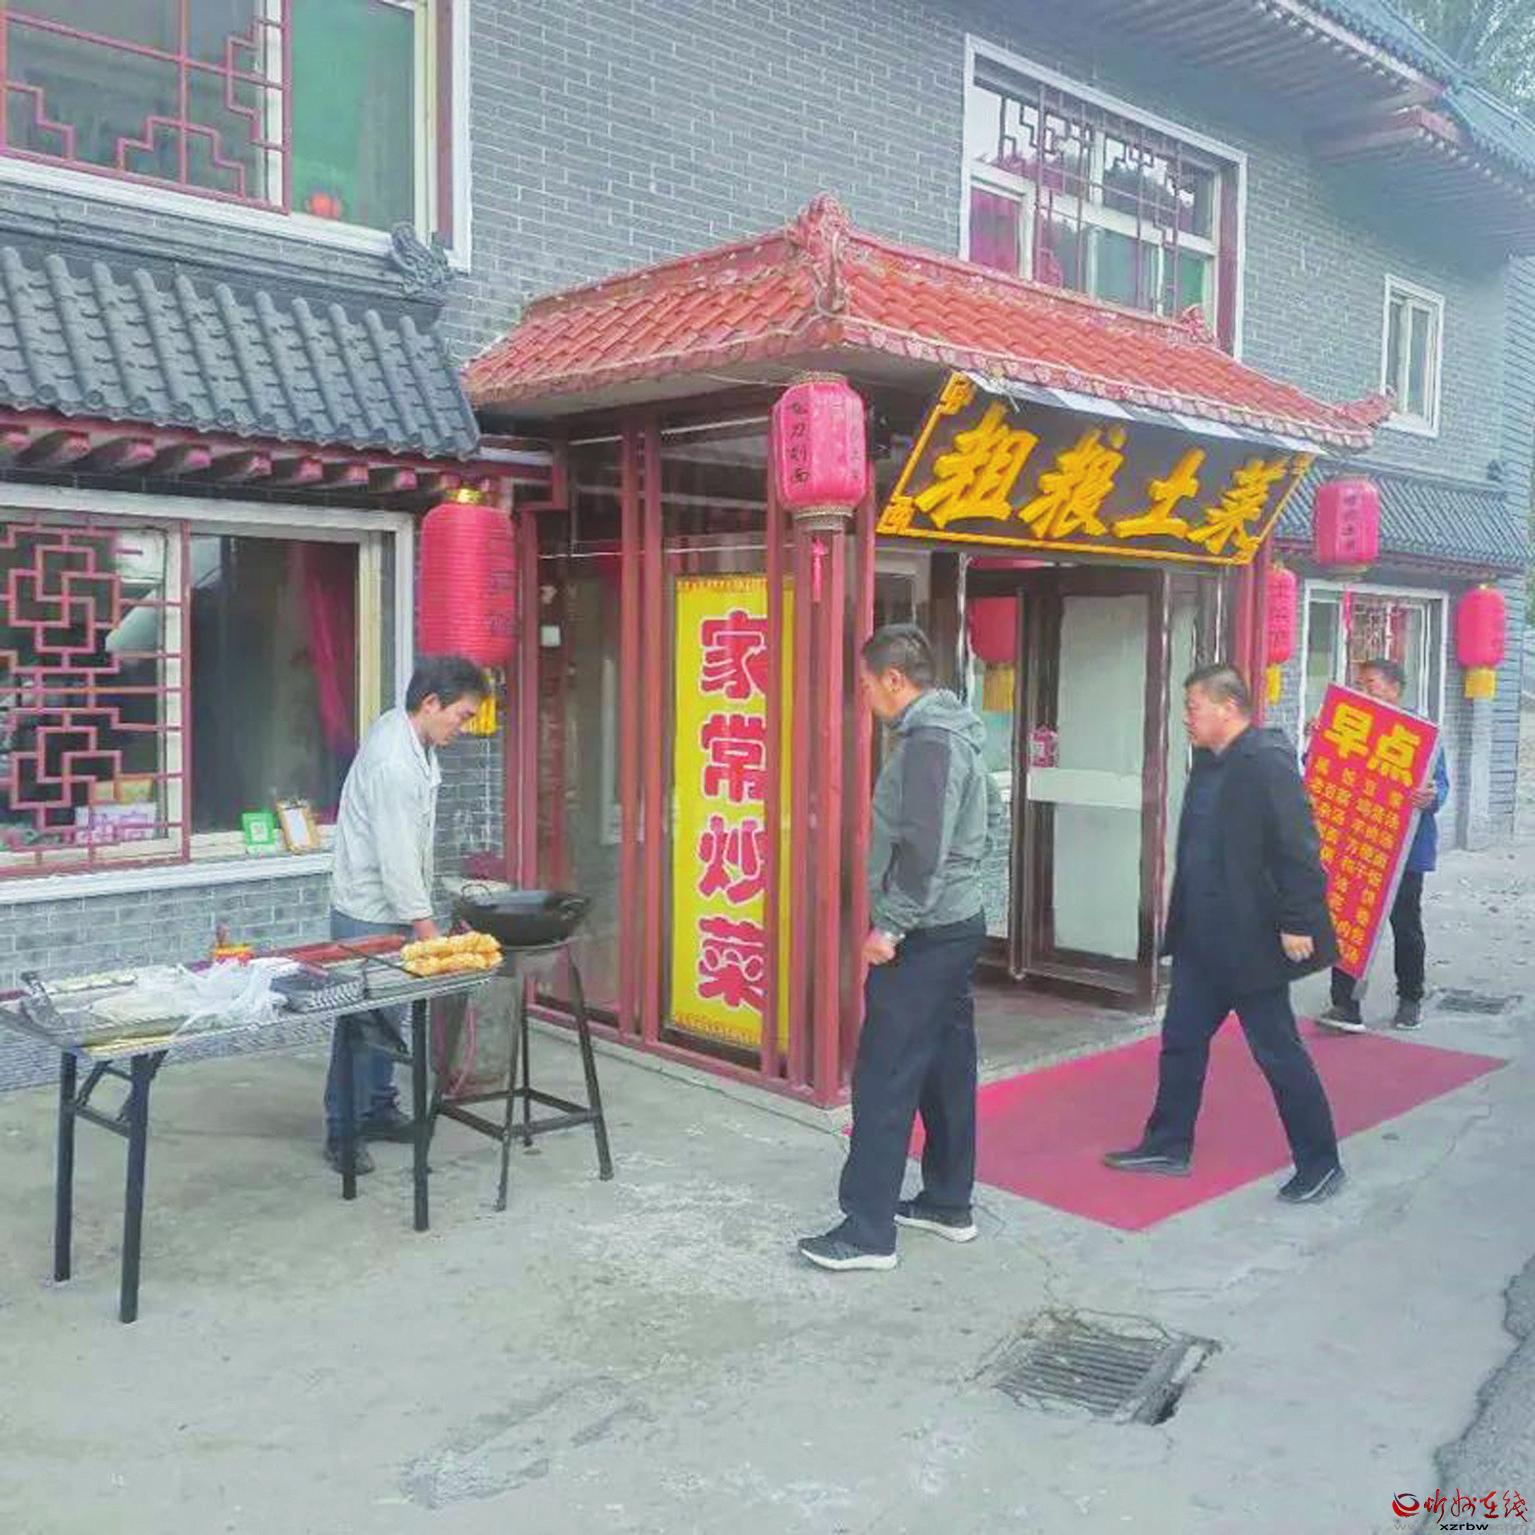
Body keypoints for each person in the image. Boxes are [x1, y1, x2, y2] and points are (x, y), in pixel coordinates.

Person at [799, 624, 1000, 1271]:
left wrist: (890, 926)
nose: (865, 698)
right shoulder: (960, 731)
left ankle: (866, 1231)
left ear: (893, 679)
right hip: (956, 922)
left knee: (885, 1073)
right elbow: (991, 824)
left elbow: (920, 847)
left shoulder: (929, 742)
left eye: (866, 685)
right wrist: (972, 895)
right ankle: (947, 1200)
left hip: (924, 933)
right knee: (945, 1064)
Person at [1104, 664, 1345, 1204]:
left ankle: (1321, 1162)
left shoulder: (1266, 762)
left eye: (1193, 707)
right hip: (1202, 938)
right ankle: (1167, 1144)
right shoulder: (1209, 764)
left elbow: (1300, 847)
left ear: (1228, 707)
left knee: (1278, 1052)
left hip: (1249, 940)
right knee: (1181, 1042)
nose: (1186, 717)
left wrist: (1298, 920)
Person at [322, 654, 487, 1173]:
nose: (463, 727)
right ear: (431, 703)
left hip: (391, 905)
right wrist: (429, 932)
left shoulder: (411, 734)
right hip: (369, 912)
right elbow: (395, 858)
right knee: (362, 1024)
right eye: (462, 716)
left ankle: (378, 1109)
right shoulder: (394, 762)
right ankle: (343, 1132)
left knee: (389, 1018)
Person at [1318, 657, 1448, 1034]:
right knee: (1347, 923)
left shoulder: (1416, 734)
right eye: (1358, 684)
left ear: (1394, 688)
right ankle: (1345, 1005)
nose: (1362, 691)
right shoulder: (1349, 726)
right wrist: (1319, 739)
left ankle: (1410, 999)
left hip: (1404, 851)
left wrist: (1431, 796)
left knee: (1405, 926)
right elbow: (1322, 769)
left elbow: (1441, 785)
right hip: (1359, 844)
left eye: (1369, 684)